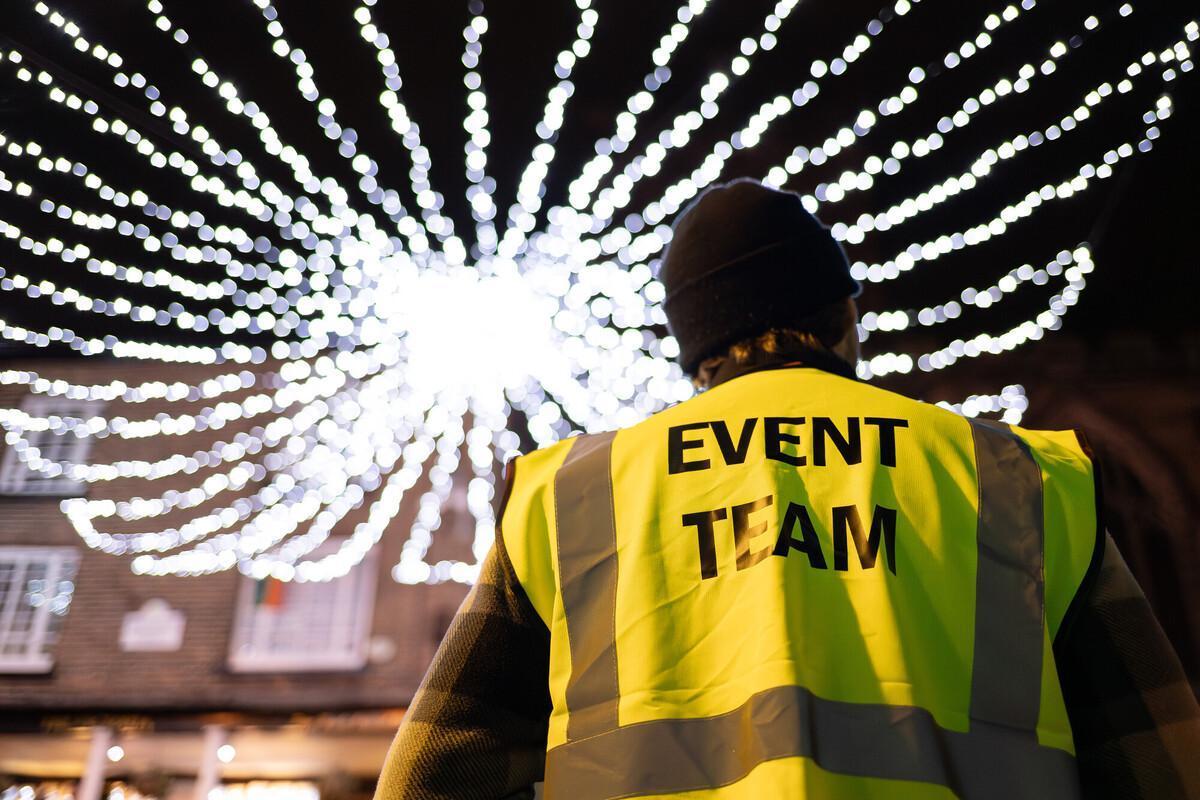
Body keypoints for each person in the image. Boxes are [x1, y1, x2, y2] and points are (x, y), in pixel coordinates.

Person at [375, 179, 1200, 799]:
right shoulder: (1013, 476)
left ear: (695, 347)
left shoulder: (575, 492)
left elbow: (430, 774)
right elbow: (1163, 756)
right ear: (844, 317)